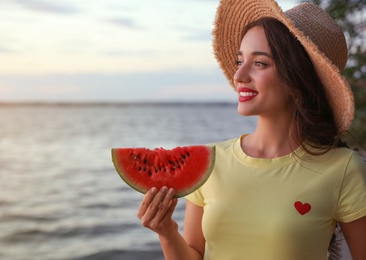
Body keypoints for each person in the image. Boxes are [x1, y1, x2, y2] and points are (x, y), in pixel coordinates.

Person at [136, 1, 366, 259]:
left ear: (297, 77)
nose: (239, 75)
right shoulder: (210, 161)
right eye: (240, 60)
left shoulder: (344, 169)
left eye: (260, 63)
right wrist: (166, 231)